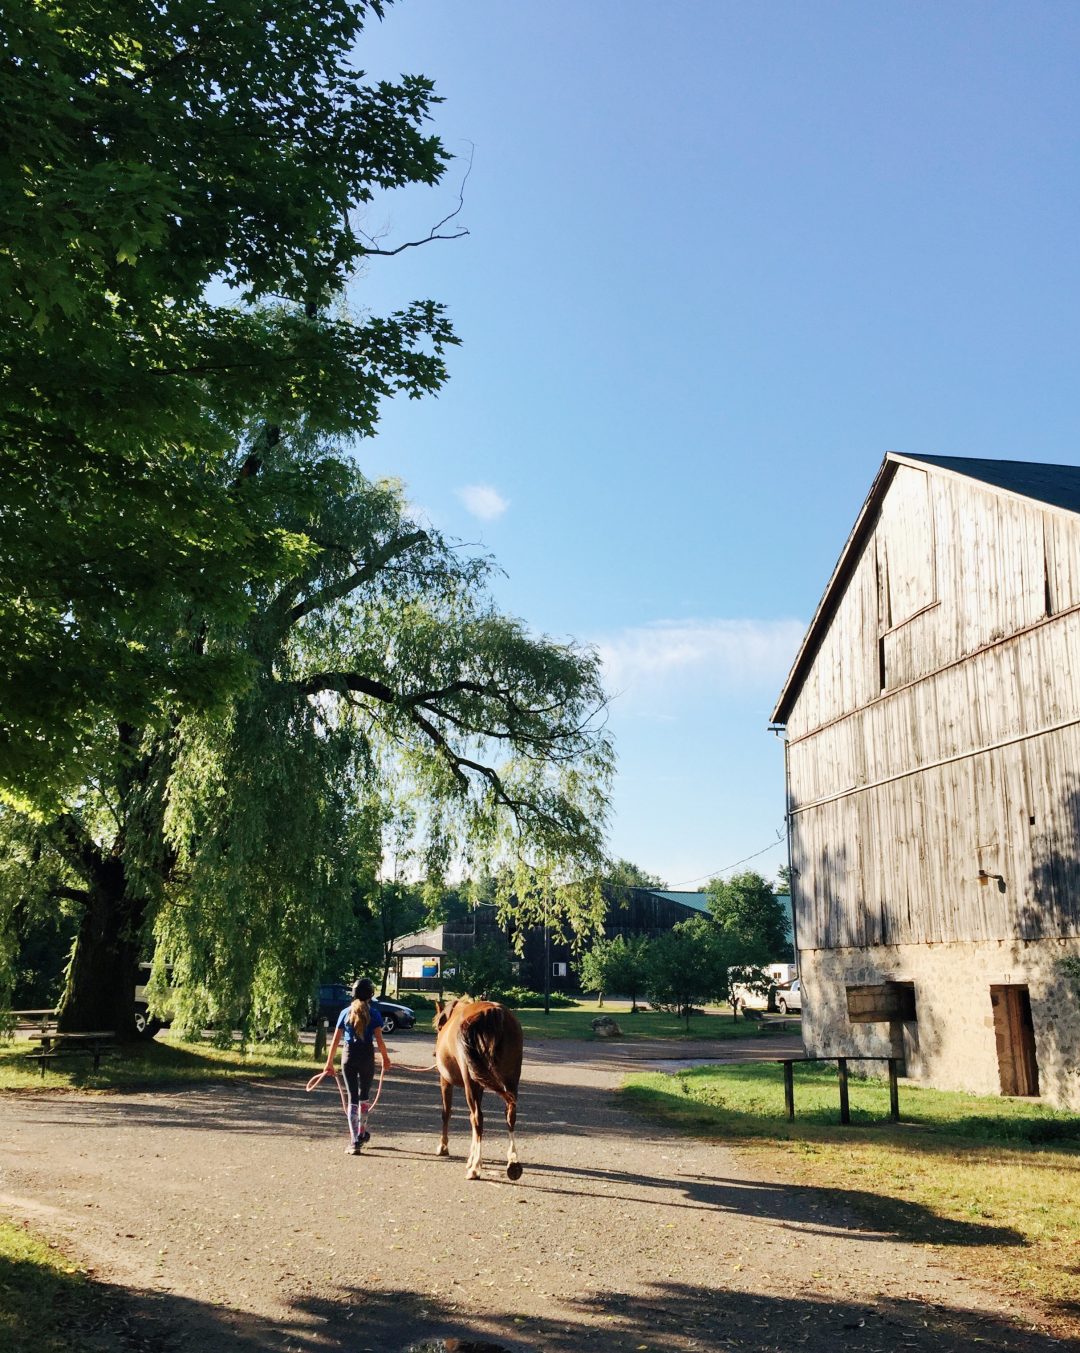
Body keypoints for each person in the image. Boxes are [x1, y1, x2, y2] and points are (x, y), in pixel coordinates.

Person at [322, 977, 392, 1154]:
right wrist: (385, 1058)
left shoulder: (345, 1013)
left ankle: (354, 1142)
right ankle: (361, 1133)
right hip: (367, 1056)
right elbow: (380, 1040)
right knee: (364, 1097)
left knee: (352, 1097)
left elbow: (335, 1040)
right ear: (370, 995)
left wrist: (329, 1062)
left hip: (349, 1056)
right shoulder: (374, 1014)